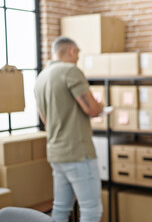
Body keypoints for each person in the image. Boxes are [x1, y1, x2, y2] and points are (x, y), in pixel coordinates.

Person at [34, 37, 104, 222]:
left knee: (60, 208)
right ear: (71, 51)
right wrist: (101, 105)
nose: (77, 59)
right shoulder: (70, 71)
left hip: (56, 153)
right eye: (77, 55)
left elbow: (46, 120)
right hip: (77, 153)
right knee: (91, 210)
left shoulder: (41, 76)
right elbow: (91, 109)